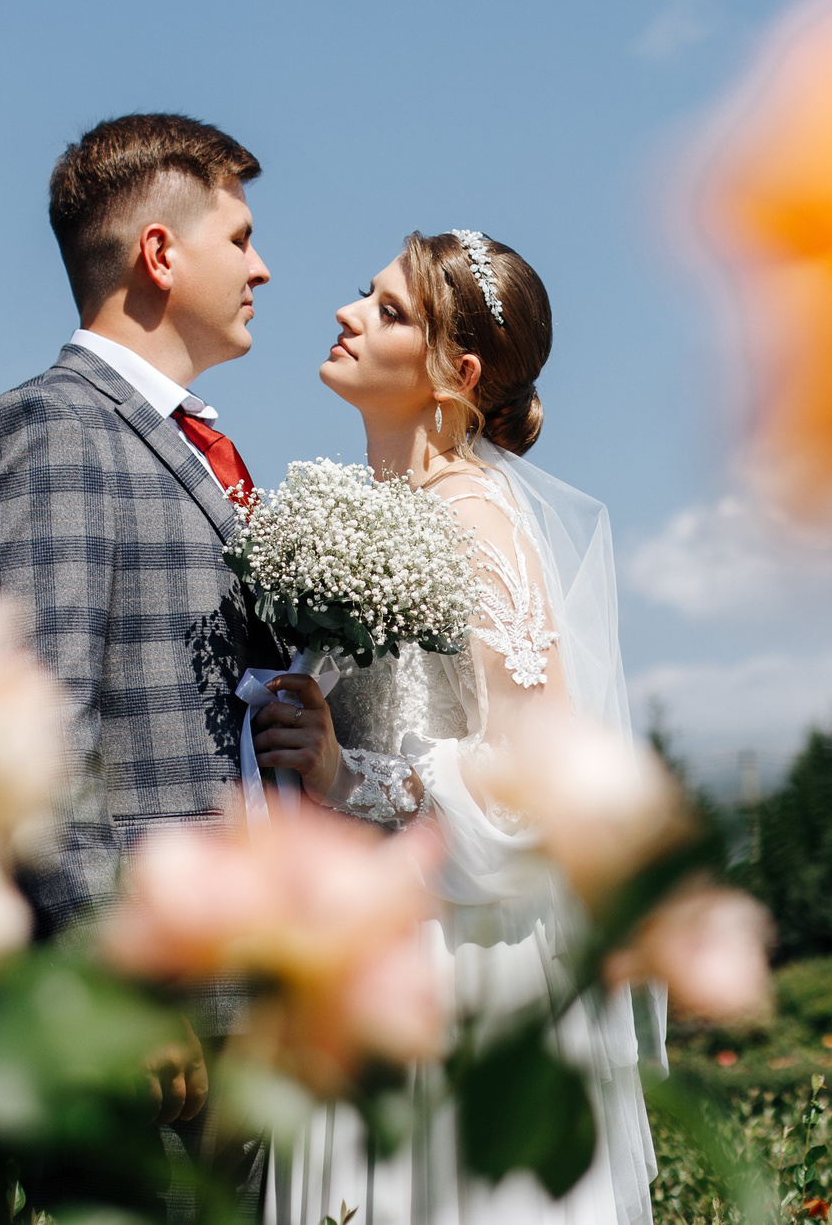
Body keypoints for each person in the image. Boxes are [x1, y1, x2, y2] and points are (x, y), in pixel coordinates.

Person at [249, 230, 662, 1225]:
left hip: (451, 950)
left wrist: (351, 779)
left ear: (456, 374)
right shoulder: (352, 513)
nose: (348, 314)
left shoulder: (476, 522)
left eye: (388, 312)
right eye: (365, 295)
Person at [0, 112, 285, 1194]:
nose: (263, 268)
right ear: (158, 253)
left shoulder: (198, 443)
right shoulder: (52, 430)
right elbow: (30, 745)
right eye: (239, 238)